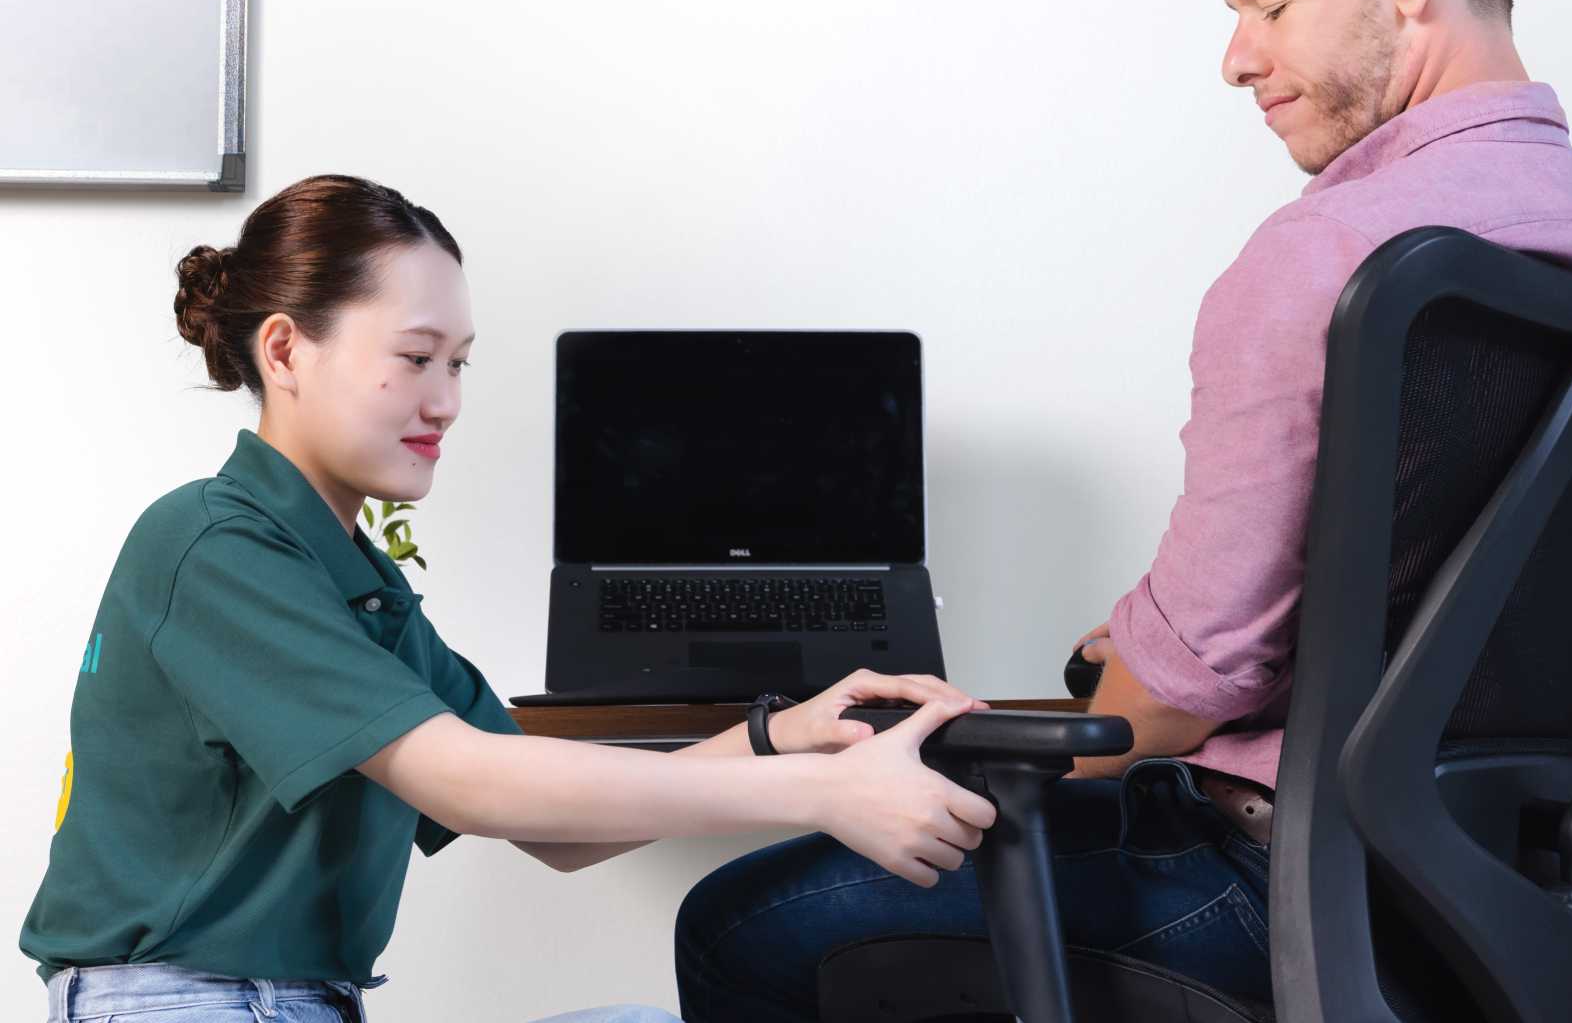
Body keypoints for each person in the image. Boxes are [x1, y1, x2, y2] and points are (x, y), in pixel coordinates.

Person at [672, 0, 1572, 1019]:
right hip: (1529, 897)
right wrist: (1185, 647)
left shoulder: (1329, 260)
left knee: (742, 924)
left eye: (1270, 4)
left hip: (1280, 892)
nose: (1238, 58)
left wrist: (1109, 696)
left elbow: (1177, 690)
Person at [18, 173, 998, 1023]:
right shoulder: (213, 546)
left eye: (458, 363)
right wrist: (823, 794)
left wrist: (781, 737)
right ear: (284, 352)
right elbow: (469, 782)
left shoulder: (356, 584)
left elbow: (553, 825)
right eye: (415, 358)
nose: (446, 401)